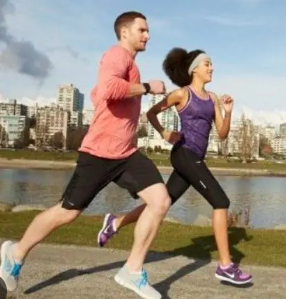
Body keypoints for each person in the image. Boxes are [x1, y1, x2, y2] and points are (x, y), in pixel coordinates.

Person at [0, 11, 171, 299]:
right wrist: (147, 88)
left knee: (161, 200)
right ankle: (14, 254)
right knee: (67, 213)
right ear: (125, 32)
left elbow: (102, 93)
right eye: (142, 29)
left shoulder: (130, 65)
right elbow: (108, 88)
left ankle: (132, 270)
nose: (148, 35)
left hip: (127, 153)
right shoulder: (116, 55)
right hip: (99, 154)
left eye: (148, 30)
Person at [96, 47, 252, 285]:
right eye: (207, 64)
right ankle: (225, 266)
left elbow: (221, 134)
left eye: (211, 64)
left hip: (195, 158)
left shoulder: (213, 98)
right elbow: (151, 113)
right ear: (194, 69)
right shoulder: (182, 95)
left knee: (163, 201)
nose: (212, 68)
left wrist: (228, 112)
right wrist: (164, 132)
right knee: (221, 201)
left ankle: (115, 222)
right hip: (185, 154)